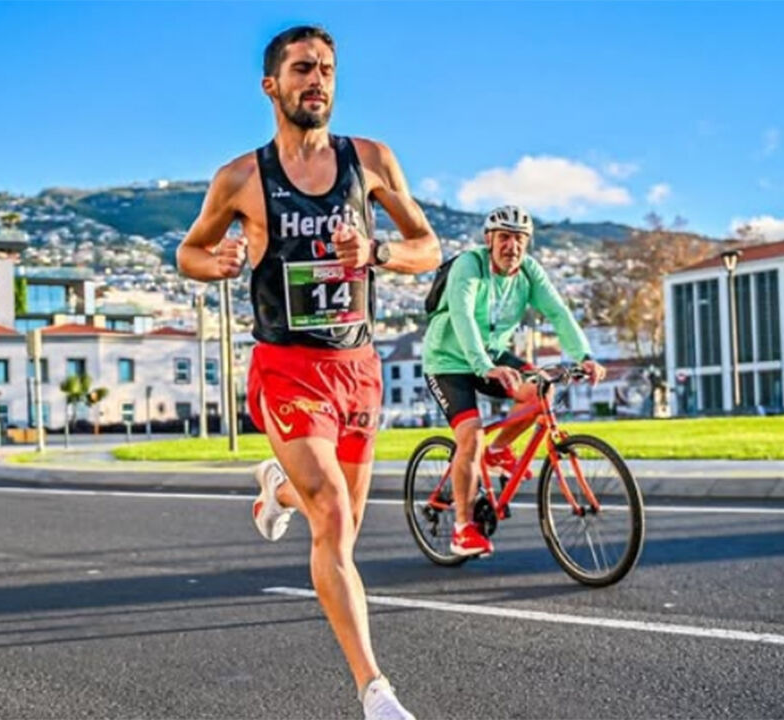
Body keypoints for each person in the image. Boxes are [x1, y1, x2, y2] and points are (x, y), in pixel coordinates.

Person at [176, 25, 439, 720]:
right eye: (301, 69)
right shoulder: (241, 178)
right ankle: (375, 691)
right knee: (331, 510)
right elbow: (188, 253)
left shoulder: (372, 160)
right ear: (272, 85)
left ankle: (276, 488)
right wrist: (221, 262)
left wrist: (375, 253)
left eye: (325, 69)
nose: (316, 79)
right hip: (287, 368)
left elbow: (428, 247)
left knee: (343, 519)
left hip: (355, 366)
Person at [422, 205, 605, 557]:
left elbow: (557, 311)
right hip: (447, 360)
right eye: (504, 237)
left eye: (520, 239)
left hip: (491, 354)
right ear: (488, 239)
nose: (512, 246)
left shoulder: (529, 272)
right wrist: (482, 365)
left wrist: (584, 355)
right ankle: (462, 528)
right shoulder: (469, 265)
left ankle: (497, 451)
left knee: (541, 390)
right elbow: (462, 315)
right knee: (470, 436)